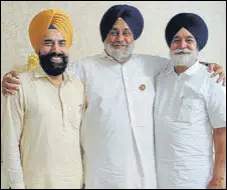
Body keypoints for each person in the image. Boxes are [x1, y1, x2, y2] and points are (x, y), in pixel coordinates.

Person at [1, 5, 226, 189]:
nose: (120, 38)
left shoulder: (152, 65)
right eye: (113, 32)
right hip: (100, 175)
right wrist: (12, 76)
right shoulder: (83, 68)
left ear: (134, 35)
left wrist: (210, 67)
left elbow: (183, 62)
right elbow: (52, 68)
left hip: (145, 177)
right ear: (105, 36)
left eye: (127, 32)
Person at [2, 9, 85, 189]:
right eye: (48, 42)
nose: (56, 49)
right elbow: (10, 146)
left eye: (62, 42)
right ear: (37, 48)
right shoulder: (19, 85)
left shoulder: (78, 85)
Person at [154, 13, 226, 189]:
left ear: (198, 45)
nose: (182, 45)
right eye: (176, 40)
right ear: (170, 45)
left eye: (189, 40)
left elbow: (222, 131)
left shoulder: (212, 80)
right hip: (160, 179)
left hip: (197, 179)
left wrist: (219, 178)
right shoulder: (160, 77)